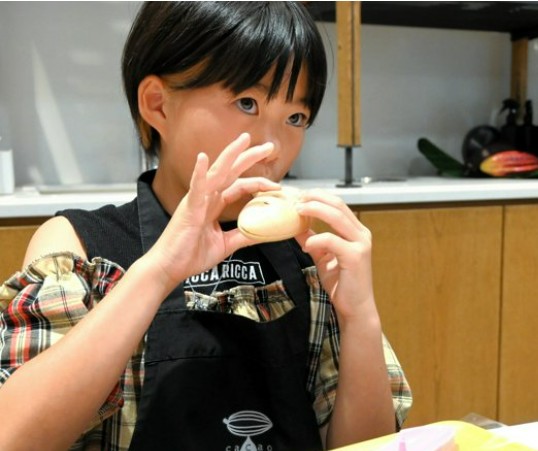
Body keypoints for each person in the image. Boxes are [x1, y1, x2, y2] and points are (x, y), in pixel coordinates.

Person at [0, 2, 412, 450]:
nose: (273, 147)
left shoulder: (309, 256)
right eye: (247, 103)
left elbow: (367, 445)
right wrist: (158, 271)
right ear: (158, 105)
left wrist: (359, 316)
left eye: (295, 117)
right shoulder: (81, 245)